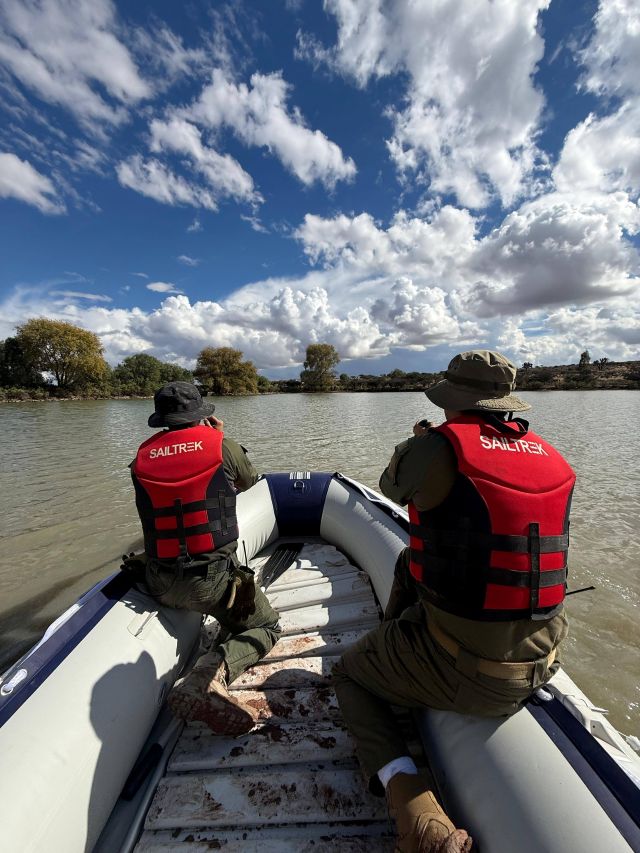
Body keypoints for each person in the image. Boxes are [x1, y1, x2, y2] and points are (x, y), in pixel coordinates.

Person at [333, 350, 575, 853]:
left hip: (471, 667)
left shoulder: (439, 446)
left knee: (350, 673)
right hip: (545, 654)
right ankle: (401, 648)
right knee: (412, 560)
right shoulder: (551, 454)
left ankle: (412, 808)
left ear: (452, 401)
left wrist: (416, 445)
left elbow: (389, 487)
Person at [127, 381, 281, 736]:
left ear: (162, 419)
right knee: (267, 625)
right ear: (202, 413)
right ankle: (209, 673)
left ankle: (209, 656)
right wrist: (220, 439)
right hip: (211, 582)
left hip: (159, 580)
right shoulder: (221, 446)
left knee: (223, 604)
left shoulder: (141, 457)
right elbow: (250, 481)